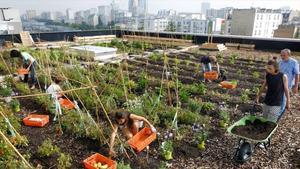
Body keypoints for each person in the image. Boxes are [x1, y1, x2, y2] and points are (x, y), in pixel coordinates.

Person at [278, 49, 299, 117]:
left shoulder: (294, 62)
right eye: (281, 55)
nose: (282, 57)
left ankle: (279, 115)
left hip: (287, 85)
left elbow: (297, 74)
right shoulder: (280, 62)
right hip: (279, 84)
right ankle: (277, 112)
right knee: (279, 98)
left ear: (289, 55)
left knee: (284, 99)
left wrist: (296, 86)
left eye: (284, 55)